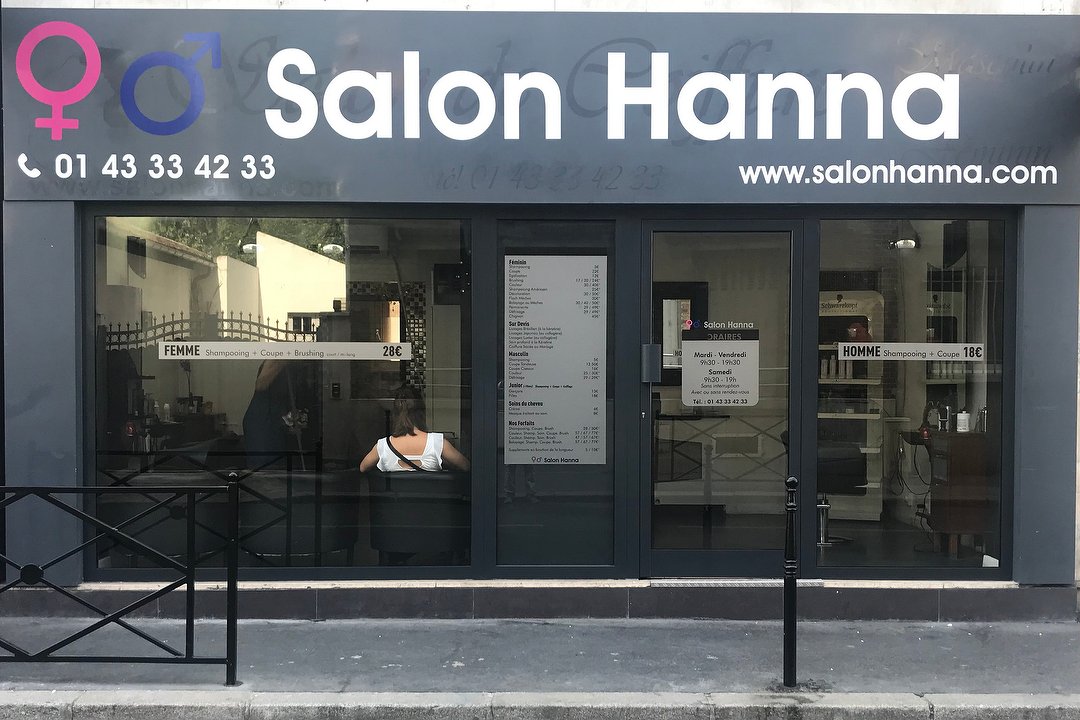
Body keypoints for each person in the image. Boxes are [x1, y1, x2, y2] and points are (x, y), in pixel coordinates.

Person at [359, 385, 470, 473]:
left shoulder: (383, 446)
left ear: (394, 415)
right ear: (422, 413)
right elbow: (466, 466)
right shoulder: (437, 443)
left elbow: (363, 468)